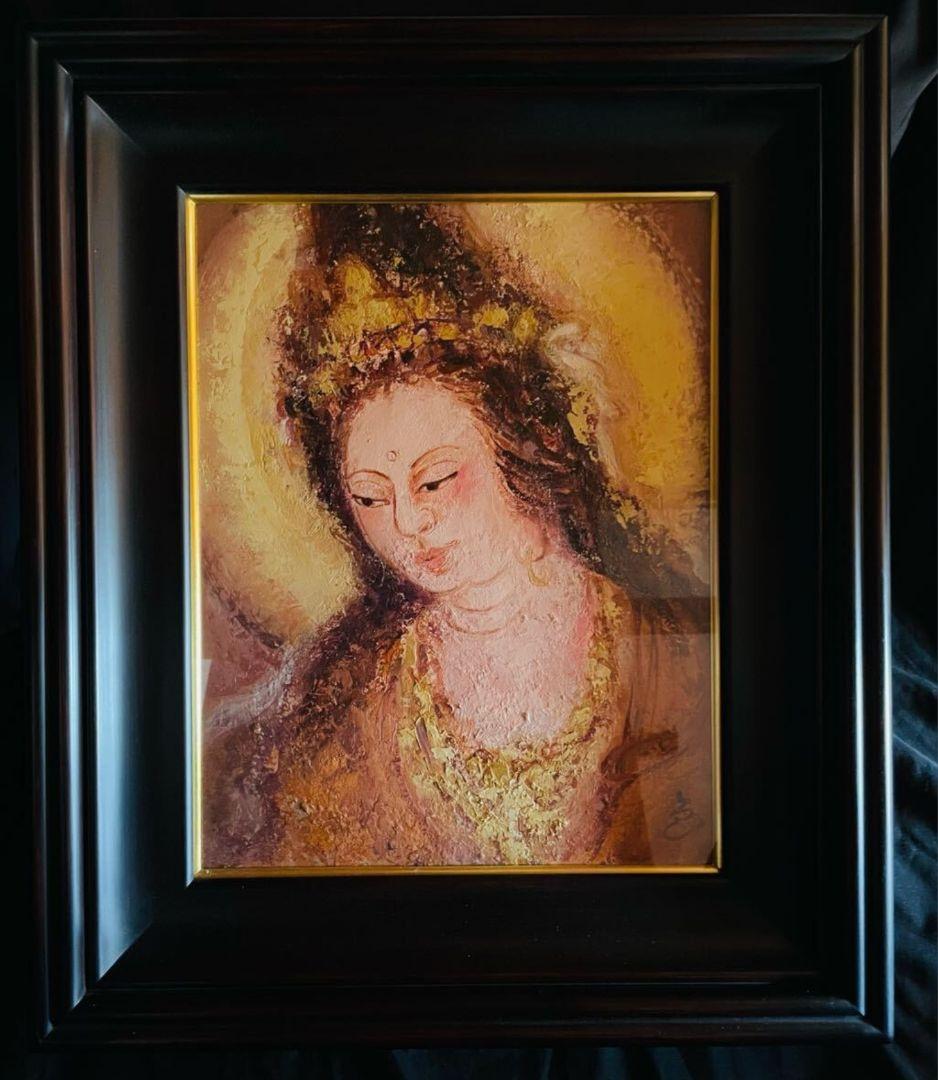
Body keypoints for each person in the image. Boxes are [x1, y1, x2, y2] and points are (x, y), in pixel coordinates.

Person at [202, 204, 714, 869]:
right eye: (369, 498)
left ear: (523, 447)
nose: (407, 525)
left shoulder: (678, 659)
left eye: (437, 480)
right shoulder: (339, 705)